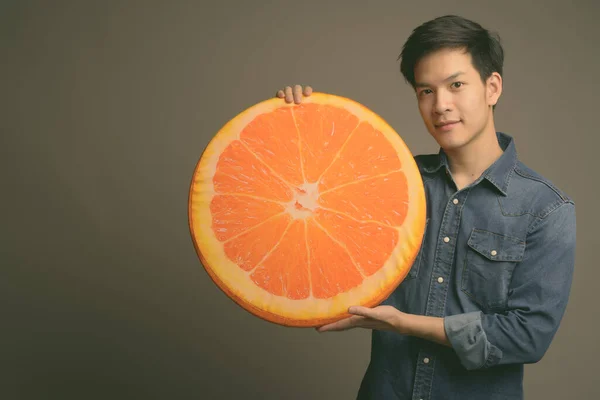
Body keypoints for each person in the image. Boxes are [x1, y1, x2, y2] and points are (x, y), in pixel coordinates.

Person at [275, 15, 576, 400]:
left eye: (456, 85)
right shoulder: (392, 180)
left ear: (492, 87)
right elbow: (313, 204)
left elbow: (527, 337)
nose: (441, 105)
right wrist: (295, 121)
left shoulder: (546, 208)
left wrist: (406, 324)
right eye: (426, 91)